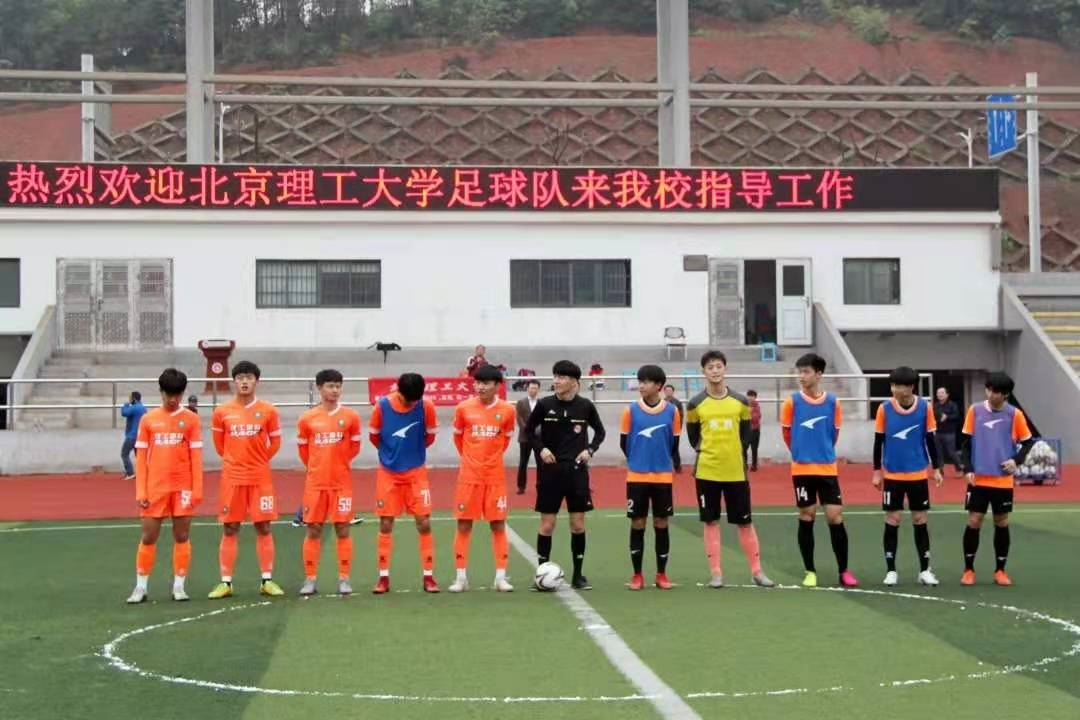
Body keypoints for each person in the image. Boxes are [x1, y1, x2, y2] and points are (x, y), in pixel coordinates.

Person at [686, 351, 775, 589]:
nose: (715, 371)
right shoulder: (695, 404)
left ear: (725, 369)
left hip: (735, 472)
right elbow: (693, 437)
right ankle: (716, 573)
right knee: (711, 522)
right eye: (710, 367)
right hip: (707, 472)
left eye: (718, 366)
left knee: (745, 522)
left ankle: (757, 572)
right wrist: (709, 451)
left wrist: (735, 452)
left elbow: (746, 434)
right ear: (703, 372)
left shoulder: (741, 402)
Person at [523, 360, 606, 590]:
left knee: (577, 525)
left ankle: (578, 575)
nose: (556, 381)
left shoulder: (585, 406)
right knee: (547, 525)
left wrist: (590, 450)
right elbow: (528, 431)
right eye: (555, 376)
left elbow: (600, 432)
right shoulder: (544, 404)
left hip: (577, 473)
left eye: (561, 377)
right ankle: (541, 573)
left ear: (574, 382)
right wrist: (542, 449)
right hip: (550, 473)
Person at [207, 361, 285, 600]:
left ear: (256, 381)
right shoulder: (222, 412)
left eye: (249, 377)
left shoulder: (269, 411)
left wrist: (259, 460)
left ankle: (266, 580)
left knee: (263, 526)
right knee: (230, 527)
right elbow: (220, 446)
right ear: (234, 381)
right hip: (232, 479)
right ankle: (226, 582)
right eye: (240, 377)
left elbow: (275, 442)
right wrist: (236, 462)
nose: (244, 382)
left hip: (260, 478)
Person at [781, 353, 858, 588]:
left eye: (806, 372)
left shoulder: (833, 402)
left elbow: (834, 434)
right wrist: (801, 453)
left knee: (835, 516)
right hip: (802, 469)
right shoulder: (792, 402)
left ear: (819, 374)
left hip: (827, 468)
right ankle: (810, 571)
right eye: (800, 372)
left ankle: (844, 571)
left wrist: (822, 451)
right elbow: (787, 434)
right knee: (807, 515)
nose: (801, 376)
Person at [126, 368, 202, 604]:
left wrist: (197, 489)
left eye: (177, 394)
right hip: (155, 488)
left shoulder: (191, 419)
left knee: (182, 535)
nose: (173, 399)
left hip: (183, 487)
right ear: (161, 392)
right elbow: (141, 458)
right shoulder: (148, 420)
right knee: (149, 536)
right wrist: (141, 490)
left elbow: (196, 457)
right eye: (169, 394)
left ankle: (179, 586)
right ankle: (140, 587)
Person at [958, 372, 1034, 586]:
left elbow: (1028, 442)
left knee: (1001, 521)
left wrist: (1016, 460)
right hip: (978, 479)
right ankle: (968, 570)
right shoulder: (975, 410)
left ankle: (1000, 570)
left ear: (1005, 394)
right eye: (989, 389)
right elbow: (965, 443)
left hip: (1002, 480)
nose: (991, 394)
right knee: (974, 521)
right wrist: (968, 468)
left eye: (996, 392)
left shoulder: (1014, 414)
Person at [871, 366, 944, 587]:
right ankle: (891, 570)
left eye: (898, 385)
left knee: (920, 520)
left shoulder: (924, 407)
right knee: (892, 520)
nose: (894, 389)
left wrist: (937, 468)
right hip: (893, 474)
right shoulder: (884, 409)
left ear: (910, 387)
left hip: (917, 473)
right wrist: (877, 471)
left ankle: (924, 570)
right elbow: (878, 441)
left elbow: (931, 440)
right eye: (892, 385)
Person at [370, 372, 440, 594]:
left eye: (414, 400)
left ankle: (428, 577)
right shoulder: (382, 406)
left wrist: (412, 455)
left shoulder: (426, 406)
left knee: (424, 523)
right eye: (407, 399)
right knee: (385, 523)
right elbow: (374, 437)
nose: (411, 403)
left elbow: (430, 437)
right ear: (398, 390)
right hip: (388, 474)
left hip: (416, 473)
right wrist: (391, 456)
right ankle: (383, 578)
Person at [449, 365, 517, 593]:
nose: (480, 387)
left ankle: (500, 578)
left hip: (494, 477)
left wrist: (489, 460)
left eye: (486, 383)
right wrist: (472, 460)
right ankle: (460, 578)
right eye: (478, 383)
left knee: (497, 524)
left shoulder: (507, 410)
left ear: (497, 385)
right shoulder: (463, 408)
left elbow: (505, 440)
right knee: (464, 524)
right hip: (469, 477)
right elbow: (458, 440)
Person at [295, 369, 362, 596]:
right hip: (315, 484)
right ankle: (310, 579)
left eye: (338, 386)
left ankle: (344, 578)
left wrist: (338, 465)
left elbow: (354, 447)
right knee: (313, 529)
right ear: (319, 388)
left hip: (341, 484)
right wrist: (317, 467)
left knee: (342, 529)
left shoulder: (351, 416)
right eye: (330, 386)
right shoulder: (307, 418)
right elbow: (304, 451)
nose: (335, 390)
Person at [621, 365, 680, 590]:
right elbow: (624, 443)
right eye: (640, 381)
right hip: (637, 476)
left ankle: (661, 574)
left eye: (645, 382)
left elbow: (674, 443)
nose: (641, 386)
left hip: (662, 477)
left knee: (661, 523)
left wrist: (659, 460)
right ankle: (637, 575)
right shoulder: (630, 411)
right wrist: (639, 460)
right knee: (638, 522)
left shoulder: (672, 411)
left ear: (658, 386)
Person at [515, 379, 542, 494]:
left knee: (540, 463)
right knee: (523, 462)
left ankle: (540, 485)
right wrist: (527, 429)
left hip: (538, 438)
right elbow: (519, 418)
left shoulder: (542, 403)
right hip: (525, 437)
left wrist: (537, 430)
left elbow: (543, 419)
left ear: (538, 389)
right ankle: (521, 486)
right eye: (531, 388)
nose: (533, 390)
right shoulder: (521, 402)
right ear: (527, 389)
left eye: (535, 388)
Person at [933, 387, 963, 476]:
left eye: (942, 393)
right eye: (938, 393)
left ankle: (959, 469)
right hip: (937, 432)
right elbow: (932, 417)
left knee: (951, 452)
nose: (940, 395)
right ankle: (940, 471)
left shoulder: (952, 405)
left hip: (949, 432)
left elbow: (957, 416)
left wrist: (947, 417)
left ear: (947, 395)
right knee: (938, 453)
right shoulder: (935, 405)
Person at [120, 391, 147, 480]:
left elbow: (124, 413)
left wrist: (125, 405)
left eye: (130, 398)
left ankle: (130, 473)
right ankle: (143, 472)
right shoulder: (143, 408)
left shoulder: (134, 407)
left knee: (124, 453)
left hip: (132, 436)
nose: (129, 399)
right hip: (140, 435)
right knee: (139, 456)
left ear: (134, 399)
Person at [662, 384, 684, 473]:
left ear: (673, 392)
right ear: (664, 392)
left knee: (675, 448)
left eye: (670, 390)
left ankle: (677, 466)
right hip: (664, 429)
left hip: (675, 430)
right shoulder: (661, 402)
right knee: (664, 448)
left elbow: (681, 416)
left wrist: (679, 428)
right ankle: (664, 466)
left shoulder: (677, 403)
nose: (668, 392)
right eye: (667, 391)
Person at [744, 389, 762, 472]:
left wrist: (749, 414)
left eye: (752, 396)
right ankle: (745, 465)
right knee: (744, 448)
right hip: (746, 431)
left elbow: (756, 418)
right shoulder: (744, 405)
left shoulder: (757, 406)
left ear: (755, 397)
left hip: (755, 430)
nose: (750, 398)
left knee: (754, 449)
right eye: (749, 396)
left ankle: (754, 465)